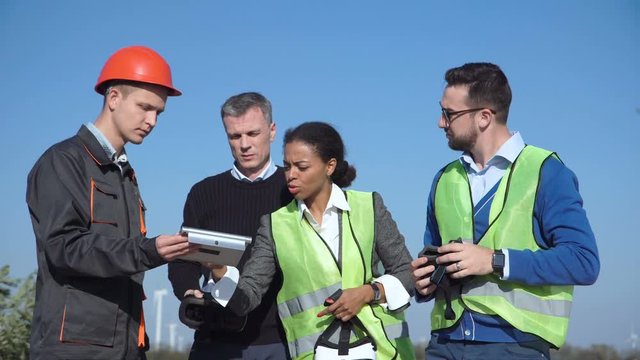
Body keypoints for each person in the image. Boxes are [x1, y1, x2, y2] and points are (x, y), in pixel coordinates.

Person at [411, 62, 600, 359]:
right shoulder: (444, 179)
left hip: (514, 346)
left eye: (449, 114)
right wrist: (425, 281)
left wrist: (494, 261)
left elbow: (583, 261)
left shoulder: (546, 172)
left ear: (484, 117)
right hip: (444, 343)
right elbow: (434, 259)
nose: (440, 122)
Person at [26, 45, 195, 360]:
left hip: (126, 346)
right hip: (74, 350)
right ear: (113, 98)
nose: (152, 120)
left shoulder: (125, 174)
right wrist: (149, 250)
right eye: (145, 107)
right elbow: (64, 248)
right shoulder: (63, 162)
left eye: (158, 112)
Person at [205, 121, 416, 360]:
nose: (291, 175)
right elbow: (247, 298)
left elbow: (407, 274)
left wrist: (369, 292)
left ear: (330, 166)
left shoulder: (369, 206)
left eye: (301, 167)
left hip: (381, 351)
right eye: (287, 167)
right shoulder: (274, 225)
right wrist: (221, 272)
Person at [168, 92, 294, 359]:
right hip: (214, 340)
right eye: (235, 137)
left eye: (252, 133)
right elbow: (182, 257)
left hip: (283, 342)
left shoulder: (295, 189)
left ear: (272, 131)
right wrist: (188, 289)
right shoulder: (203, 192)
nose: (244, 144)